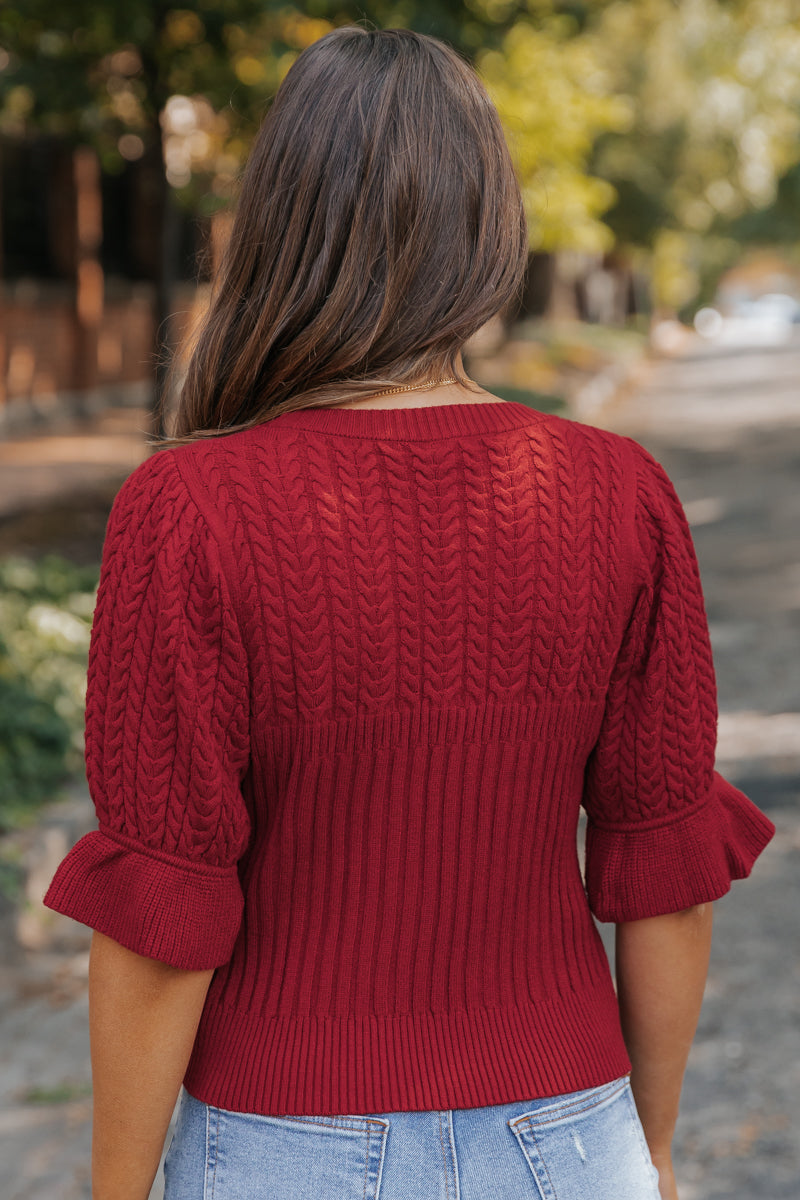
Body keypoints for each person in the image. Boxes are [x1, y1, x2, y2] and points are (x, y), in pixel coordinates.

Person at [44, 26, 775, 1200]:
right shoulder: (616, 491)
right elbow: (662, 875)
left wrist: (114, 1192)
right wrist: (652, 1149)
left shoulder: (187, 507)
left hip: (282, 1145)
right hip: (570, 1140)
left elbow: (159, 917)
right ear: (489, 228)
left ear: (277, 224)